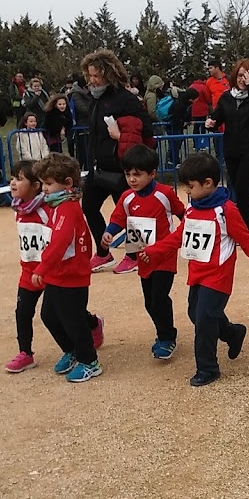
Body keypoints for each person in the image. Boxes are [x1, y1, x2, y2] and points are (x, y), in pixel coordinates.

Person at [139, 152, 249, 387]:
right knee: (196, 314)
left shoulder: (227, 210)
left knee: (204, 320)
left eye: (190, 187)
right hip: (197, 273)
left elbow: (247, 241)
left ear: (208, 183)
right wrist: (154, 251)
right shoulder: (192, 209)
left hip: (219, 275)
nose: (187, 192)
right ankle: (232, 333)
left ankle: (208, 368)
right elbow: (178, 236)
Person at [5, 159, 104, 373]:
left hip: (68, 274)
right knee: (49, 315)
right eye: (43, 183)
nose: (45, 189)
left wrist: (43, 268)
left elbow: (61, 241)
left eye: (48, 184)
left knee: (73, 319)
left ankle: (89, 361)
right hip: (54, 272)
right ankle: (70, 351)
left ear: (67, 183)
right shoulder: (58, 206)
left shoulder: (66, 208)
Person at [101, 145, 185, 358]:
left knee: (159, 298)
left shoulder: (165, 193)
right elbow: (119, 218)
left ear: (152, 173)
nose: (132, 179)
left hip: (164, 255)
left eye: (137, 174)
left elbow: (183, 213)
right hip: (143, 256)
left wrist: (188, 232)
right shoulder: (127, 197)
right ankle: (162, 333)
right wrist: (109, 232)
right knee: (149, 302)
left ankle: (167, 337)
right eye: (128, 174)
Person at [79, 48, 155, 273]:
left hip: (123, 167)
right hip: (99, 167)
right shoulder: (95, 99)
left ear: (109, 73)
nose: (92, 80)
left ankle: (134, 256)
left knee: (131, 213)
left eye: (96, 75)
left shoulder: (125, 99)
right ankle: (104, 253)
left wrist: (121, 137)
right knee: (89, 206)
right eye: (90, 75)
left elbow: (146, 130)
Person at [205, 58, 249, 229]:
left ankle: (244, 227)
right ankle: (235, 225)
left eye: (246, 76)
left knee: (242, 187)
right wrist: (211, 123)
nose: (242, 79)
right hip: (231, 150)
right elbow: (217, 118)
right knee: (234, 187)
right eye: (240, 75)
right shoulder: (227, 97)